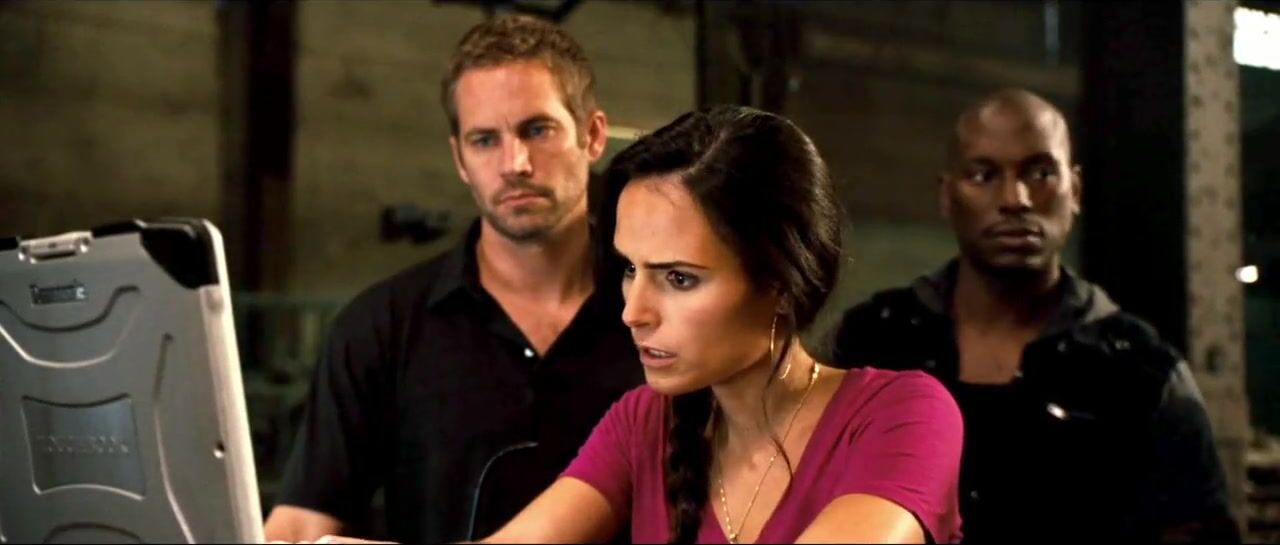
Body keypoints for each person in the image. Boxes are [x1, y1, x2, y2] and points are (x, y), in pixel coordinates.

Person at [454, 105, 963, 544]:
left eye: (679, 278)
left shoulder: (903, 415)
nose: (633, 312)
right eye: (630, 269)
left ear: (780, 283)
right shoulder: (645, 423)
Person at [262, 15, 644, 543]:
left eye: (537, 130)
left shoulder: (656, 310)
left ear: (593, 135)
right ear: (459, 159)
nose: (515, 163)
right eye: (485, 140)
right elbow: (299, 527)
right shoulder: (381, 328)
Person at [824, 88, 1239, 542]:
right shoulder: (870, 343)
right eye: (983, 175)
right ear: (946, 194)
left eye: (1040, 173)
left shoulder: (1142, 371)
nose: (1015, 199)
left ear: (1074, 190)